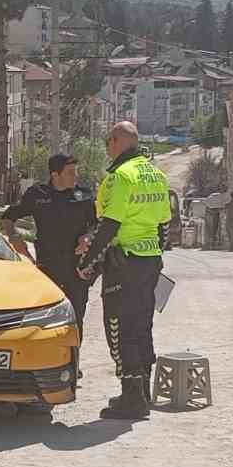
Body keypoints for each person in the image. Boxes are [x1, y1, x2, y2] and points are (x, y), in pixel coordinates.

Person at [79, 121, 173, 421]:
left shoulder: (122, 176)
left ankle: (132, 398)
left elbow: (110, 224)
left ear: (119, 141)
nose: (107, 145)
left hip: (125, 262)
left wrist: (89, 262)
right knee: (142, 325)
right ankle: (142, 391)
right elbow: (164, 226)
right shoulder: (155, 173)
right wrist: (156, 259)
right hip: (150, 261)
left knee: (120, 327)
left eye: (109, 140)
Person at [3, 151, 96, 342]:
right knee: (45, 317)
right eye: (70, 172)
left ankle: (73, 363)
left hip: (77, 268)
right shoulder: (38, 195)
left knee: (76, 316)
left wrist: (87, 237)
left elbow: (96, 225)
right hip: (47, 267)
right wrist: (15, 238)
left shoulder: (83, 196)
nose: (75, 176)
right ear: (55, 175)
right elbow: (9, 216)